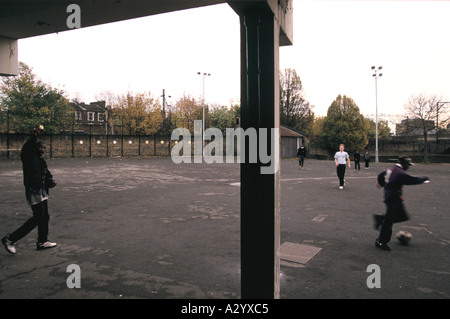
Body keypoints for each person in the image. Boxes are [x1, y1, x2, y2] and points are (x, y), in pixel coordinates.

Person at [2, 134, 57, 254]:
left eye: (44, 148)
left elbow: (45, 173)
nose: (42, 150)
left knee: (45, 216)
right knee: (37, 217)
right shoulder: (29, 157)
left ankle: (42, 241)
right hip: (33, 189)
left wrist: (49, 181)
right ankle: (10, 239)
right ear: (35, 148)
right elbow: (26, 148)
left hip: (42, 189)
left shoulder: (40, 160)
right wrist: (33, 137)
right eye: (40, 147)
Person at [373, 156, 429, 251]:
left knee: (401, 216)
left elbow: (381, 175)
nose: (408, 167)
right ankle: (381, 241)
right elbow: (411, 180)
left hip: (390, 196)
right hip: (394, 198)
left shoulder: (392, 169)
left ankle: (381, 219)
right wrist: (424, 178)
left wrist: (382, 183)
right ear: (404, 163)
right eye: (408, 165)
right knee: (389, 221)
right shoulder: (400, 173)